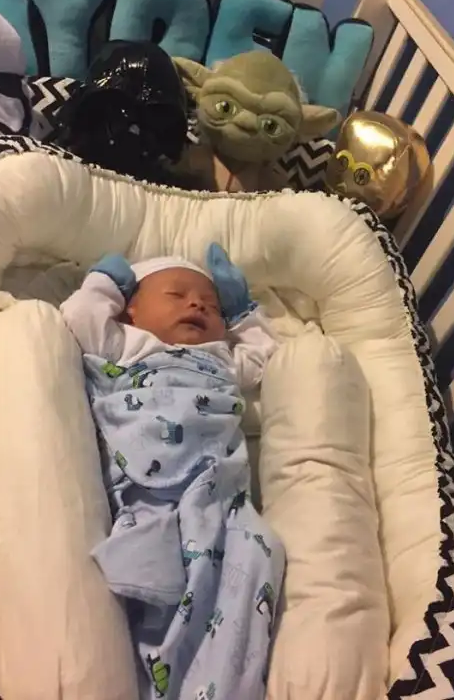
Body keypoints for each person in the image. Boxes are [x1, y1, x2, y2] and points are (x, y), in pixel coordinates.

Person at [60, 243, 285, 700]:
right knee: (158, 579)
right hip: (148, 491)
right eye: (177, 294)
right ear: (132, 310)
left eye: (212, 305)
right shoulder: (129, 344)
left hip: (220, 492)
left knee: (262, 552)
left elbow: (265, 357)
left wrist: (244, 313)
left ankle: (224, 682)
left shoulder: (222, 356)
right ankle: (159, 670)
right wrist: (106, 283)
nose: (197, 305)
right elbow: (78, 319)